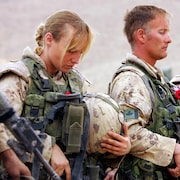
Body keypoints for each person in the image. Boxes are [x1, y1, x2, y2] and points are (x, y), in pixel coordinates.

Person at [0, 10, 131, 180]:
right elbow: (4, 129)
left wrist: (116, 155)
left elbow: (86, 137)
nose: (76, 59)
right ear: (48, 39)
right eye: (71, 50)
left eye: (81, 53)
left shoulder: (76, 82)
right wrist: (49, 148)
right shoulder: (20, 77)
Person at [105, 5, 180, 179]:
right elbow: (129, 132)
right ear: (141, 35)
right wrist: (173, 149)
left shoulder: (153, 79)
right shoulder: (130, 80)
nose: (168, 39)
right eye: (162, 32)